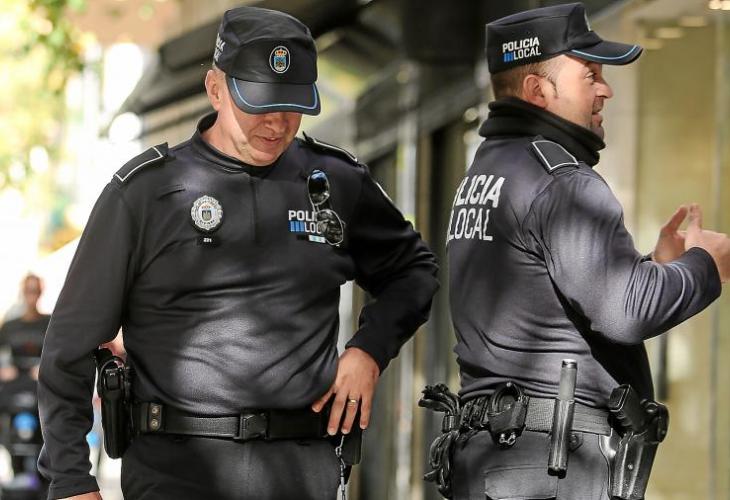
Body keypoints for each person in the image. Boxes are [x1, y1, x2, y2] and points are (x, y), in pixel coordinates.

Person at [38, 6, 438, 500]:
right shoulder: (145, 193)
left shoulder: (335, 182)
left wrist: (369, 350)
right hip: (177, 475)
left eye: (292, 106)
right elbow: (69, 349)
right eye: (260, 104)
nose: (276, 124)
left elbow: (414, 271)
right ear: (215, 88)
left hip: (301, 474)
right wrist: (71, 481)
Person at [428, 3, 730, 500]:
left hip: (500, 462)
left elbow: (554, 298)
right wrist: (706, 265)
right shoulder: (561, 182)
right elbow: (624, 312)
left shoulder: (487, 172)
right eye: (590, 74)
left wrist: (656, 270)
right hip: (552, 469)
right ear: (538, 90)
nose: (606, 89)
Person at [0, 274, 49, 381]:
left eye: (35, 291)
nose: (31, 296)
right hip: (12, 381)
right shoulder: (9, 326)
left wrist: (46, 369)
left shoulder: (49, 324)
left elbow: (57, 353)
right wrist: (4, 367)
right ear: (23, 292)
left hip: (40, 381)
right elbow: (2, 351)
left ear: (40, 292)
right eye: (28, 290)